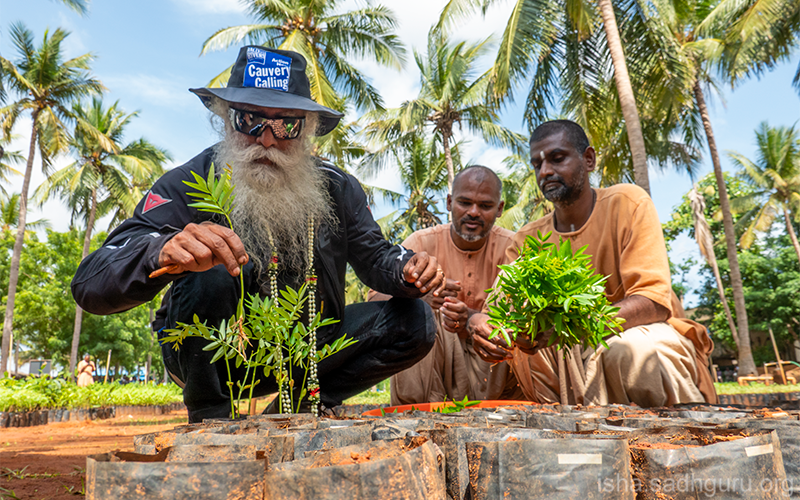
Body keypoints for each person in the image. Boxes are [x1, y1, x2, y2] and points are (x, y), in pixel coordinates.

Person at [71, 46, 445, 422]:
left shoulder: (337, 188)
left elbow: (376, 256)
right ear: (226, 120)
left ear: (308, 130)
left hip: (306, 353)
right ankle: (210, 420)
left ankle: (295, 410)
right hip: (216, 356)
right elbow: (91, 282)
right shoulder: (187, 180)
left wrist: (408, 270)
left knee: (415, 320)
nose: (267, 139)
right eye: (249, 120)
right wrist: (161, 250)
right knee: (213, 268)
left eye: (286, 126)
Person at [468, 120, 716, 407]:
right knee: (515, 354)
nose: (545, 171)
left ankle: (669, 440)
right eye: (537, 164)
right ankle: (569, 434)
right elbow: (498, 313)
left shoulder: (628, 204)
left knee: (626, 352)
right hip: (563, 356)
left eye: (557, 158)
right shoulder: (526, 240)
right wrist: (480, 323)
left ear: (588, 159)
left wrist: (571, 327)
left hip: (640, 334)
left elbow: (654, 302)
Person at [371, 166, 523, 404]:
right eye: (464, 202)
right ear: (449, 202)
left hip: (496, 368)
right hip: (433, 371)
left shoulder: (515, 247)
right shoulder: (420, 243)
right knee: (418, 313)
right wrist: (419, 296)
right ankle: (415, 415)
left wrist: (472, 319)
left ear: (500, 209)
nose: (473, 212)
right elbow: (374, 300)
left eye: (485, 206)